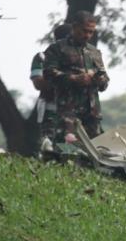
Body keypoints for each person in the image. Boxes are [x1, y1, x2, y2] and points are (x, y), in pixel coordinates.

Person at [42, 10, 109, 141]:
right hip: (68, 113)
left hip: (92, 114)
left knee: (95, 153)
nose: (87, 35)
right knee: (68, 152)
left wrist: (99, 79)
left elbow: (105, 81)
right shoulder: (57, 48)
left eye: (91, 32)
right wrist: (73, 78)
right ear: (74, 27)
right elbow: (48, 73)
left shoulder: (94, 52)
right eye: (84, 31)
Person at [31, 23, 71, 147]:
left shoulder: (81, 60)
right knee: (49, 146)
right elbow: (38, 82)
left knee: (71, 149)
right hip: (50, 111)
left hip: (73, 112)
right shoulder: (42, 57)